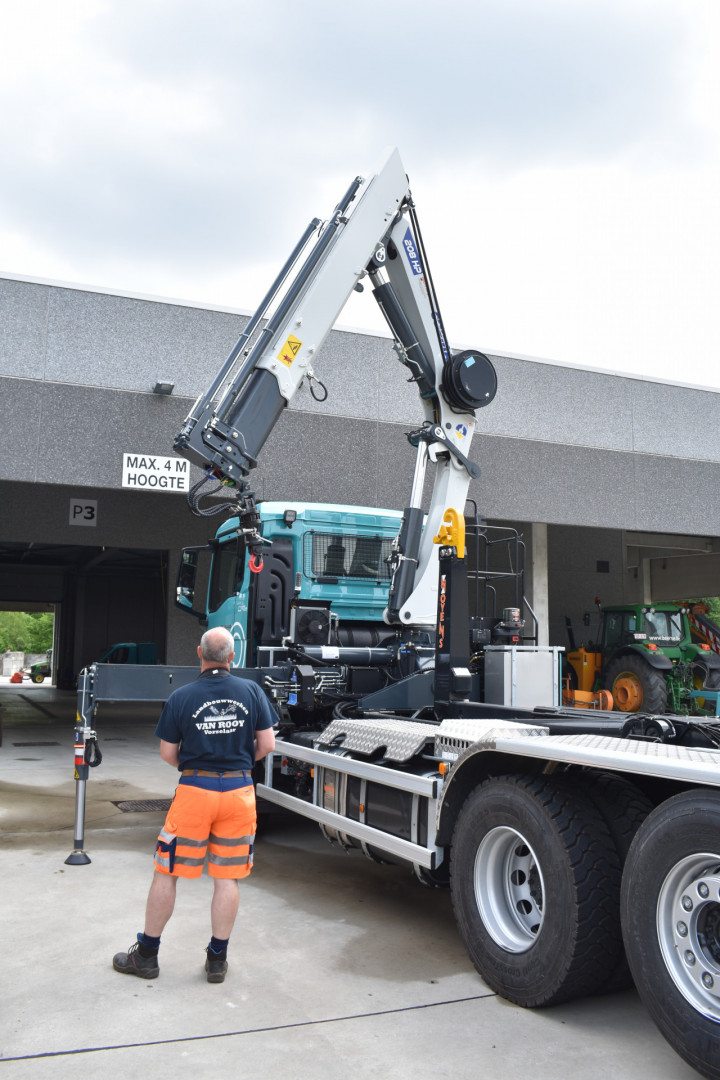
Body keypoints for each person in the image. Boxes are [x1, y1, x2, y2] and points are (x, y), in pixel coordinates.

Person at [112, 626, 276, 983]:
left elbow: (168, 753)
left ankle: (147, 956)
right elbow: (267, 745)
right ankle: (217, 960)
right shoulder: (252, 691)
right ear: (233, 657)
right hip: (238, 793)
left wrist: (195, 766)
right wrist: (238, 762)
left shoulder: (181, 697)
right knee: (227, 878)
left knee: (167, 873)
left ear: (199, 654)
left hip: (194, 792)